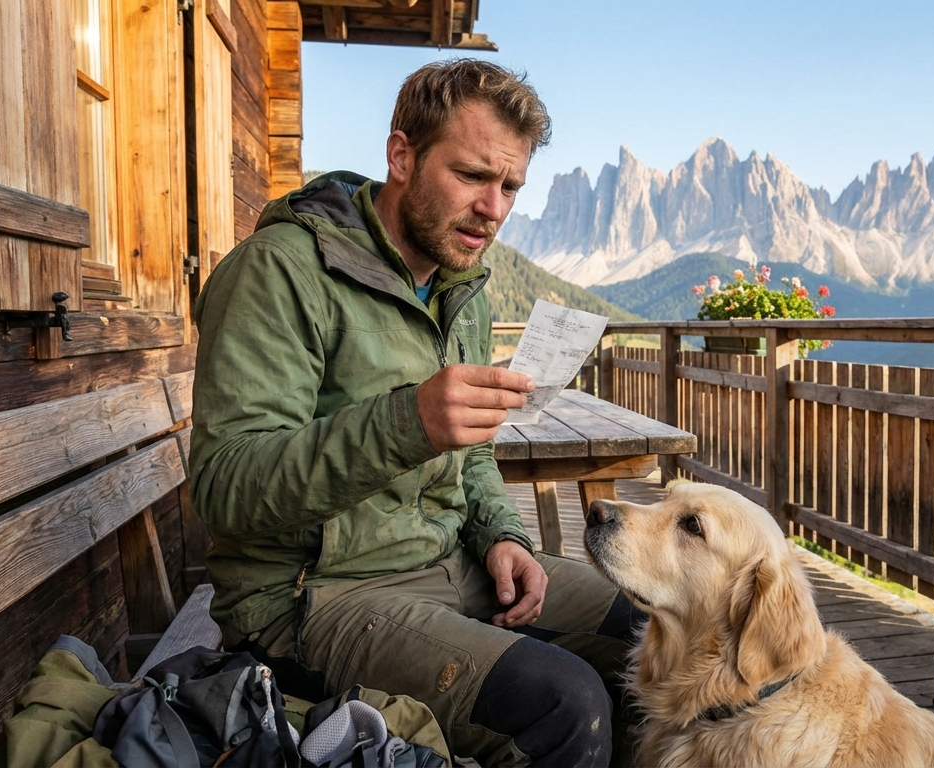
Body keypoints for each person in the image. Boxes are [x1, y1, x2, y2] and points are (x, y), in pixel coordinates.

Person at [189, 59, 640, 768]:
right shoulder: (280, 271)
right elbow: (225, 490)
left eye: (510, 186)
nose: (493, 208)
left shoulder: (462, 289)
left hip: (446, 565)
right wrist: (408, 423)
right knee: (566, 702)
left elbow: (477, 456)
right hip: (311, 601)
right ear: (402, 156)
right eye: (471, 175)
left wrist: (501, 537)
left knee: (653, 629)